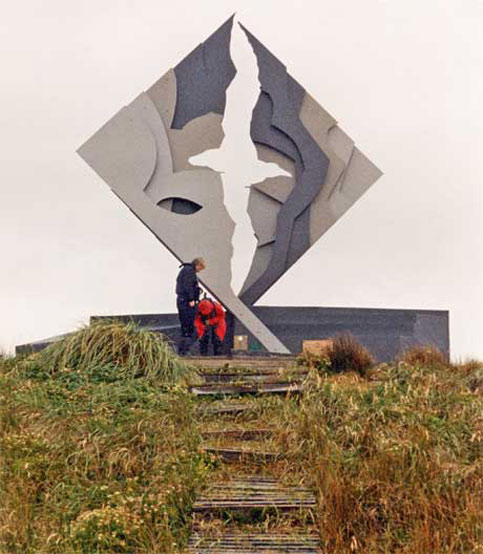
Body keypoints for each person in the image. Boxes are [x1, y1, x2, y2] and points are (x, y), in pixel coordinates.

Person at [176, 257, 205, 355]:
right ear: (198, 265)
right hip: (186, 301)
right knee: (188, 326)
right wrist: (191, 299)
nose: (200, 271)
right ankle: (184, 350)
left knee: (186, 326)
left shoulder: (186, 270)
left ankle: (183, 350)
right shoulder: (189, 272)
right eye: (201, 268)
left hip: (183, 300)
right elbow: (188, 286)